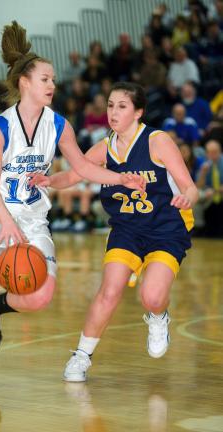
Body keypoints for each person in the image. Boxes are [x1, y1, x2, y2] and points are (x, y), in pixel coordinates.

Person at [0, 22, 145, 387]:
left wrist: (120, 178)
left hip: (33, 215)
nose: (53, 85)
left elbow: (81, 167)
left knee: (40, 295)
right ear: (25, 83)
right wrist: (5, 221)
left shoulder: (59, 125)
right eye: (46, 79)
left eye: (53, 80)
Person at [30, 82, 199, 382]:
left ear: (138, 112)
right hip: (127, 229)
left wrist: (187, 197)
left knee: (152, 296)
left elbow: (190, 186)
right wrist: (48, 180)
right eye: (110, 105)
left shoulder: (157, 141)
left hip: (166, 228)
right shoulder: (105, 146)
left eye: (121, 106)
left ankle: (158, 317)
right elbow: (74, 173)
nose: (113, 112)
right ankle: (81, 355)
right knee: (109, 291)